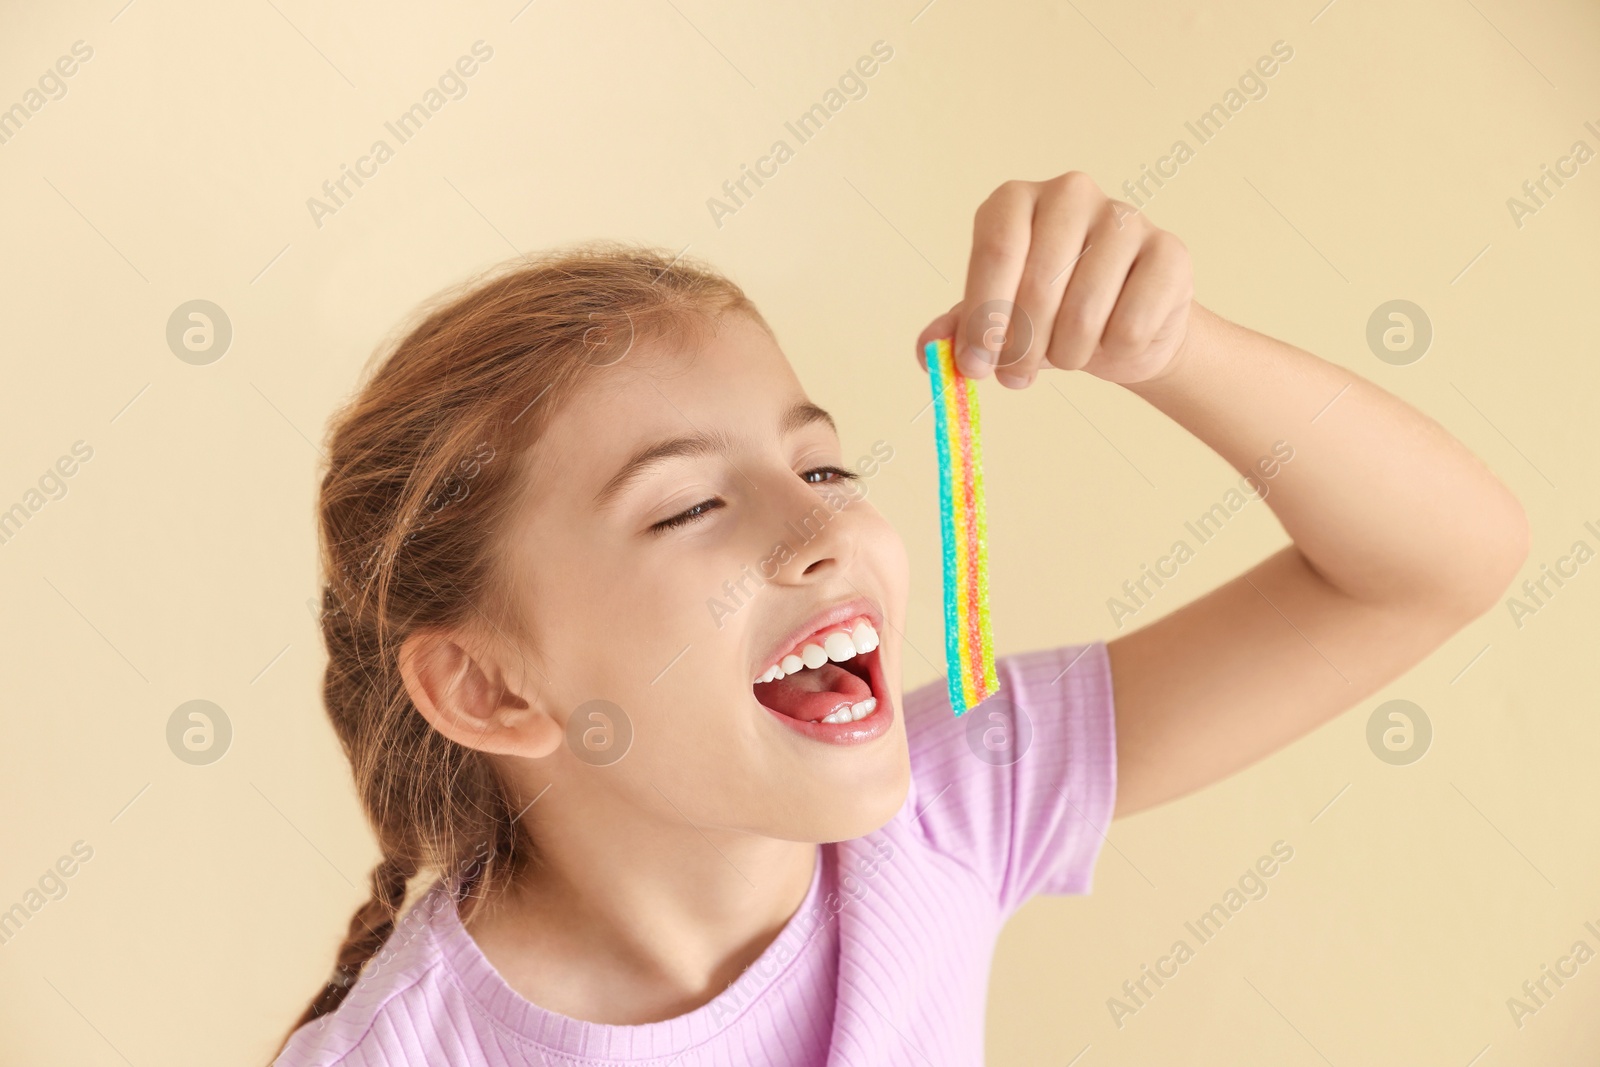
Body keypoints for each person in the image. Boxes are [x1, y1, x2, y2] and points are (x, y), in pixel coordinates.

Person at [272, 172, 1528, 1065]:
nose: (826, 532)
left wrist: (1168, 347)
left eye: (822, 469)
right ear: (493, 689)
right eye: (691, 505)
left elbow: (1433, 563)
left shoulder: (946, 806)